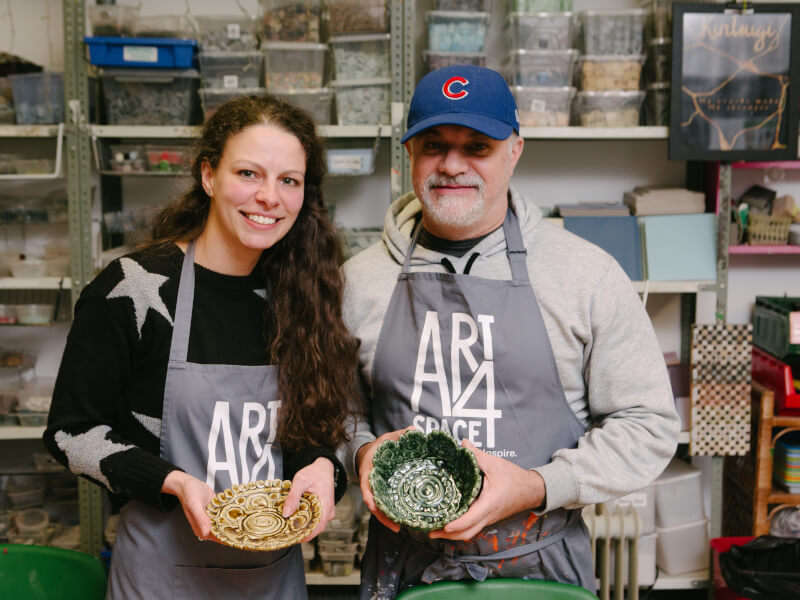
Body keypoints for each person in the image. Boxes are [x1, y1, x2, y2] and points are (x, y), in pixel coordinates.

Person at [341, 65, 681, 598]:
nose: (452, 165)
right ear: (409, 153)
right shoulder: (359, 280)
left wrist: (539, 486)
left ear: (515, 151)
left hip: (541, 566)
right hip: (404, 566)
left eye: (477, 146)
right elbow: (336, 410)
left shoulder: (584, 275)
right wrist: (363, 453)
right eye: (434, 145)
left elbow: (648, 424)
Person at [44, 94, 359, 599]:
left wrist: (322, 466)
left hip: (272, 580)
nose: (269, 198)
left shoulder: (303, 296)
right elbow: (69, 434)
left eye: (289, 181)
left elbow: (313, 429)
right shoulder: (134, 289)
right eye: (249, 174)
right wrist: (172, 482)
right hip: (160, 577)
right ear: (208, 176)